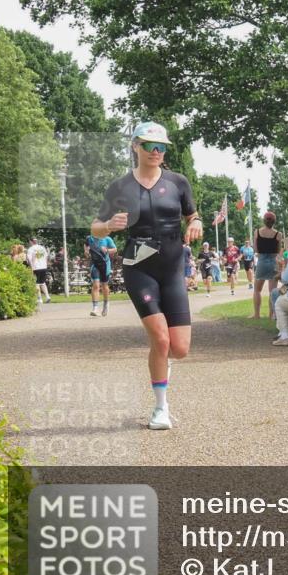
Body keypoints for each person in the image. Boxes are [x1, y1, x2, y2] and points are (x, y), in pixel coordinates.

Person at [92, 121, 202, 431]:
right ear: (135, 146)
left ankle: (161, 360)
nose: (156, 152)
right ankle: (160, 408)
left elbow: (192, 214)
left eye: (162, 147)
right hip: (139, 267)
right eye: (149, 145)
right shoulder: (120, 187)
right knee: (161, 338)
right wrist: (109, 224)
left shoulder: (178, 182)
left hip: (172, 267)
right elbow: (95, 227)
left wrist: (196, 223)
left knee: (178, 349)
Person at [251, 211, 283, 320]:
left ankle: (257, 314)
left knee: (257, 290)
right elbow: (279, 250)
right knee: (272, 291)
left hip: (262, 261)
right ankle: (271, 315)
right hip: (273, 262)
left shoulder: (257, 232)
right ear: (274, 222)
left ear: (264, 220)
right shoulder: (278, 234)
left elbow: (255, 249)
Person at [85, 232, 117, 316]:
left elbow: (115, 249)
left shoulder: (107, 239)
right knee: (95, 285)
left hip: (105, 265)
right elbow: (86, 245)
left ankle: (106, 304)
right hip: (94, 265)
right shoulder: (89, 238)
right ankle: (95, 308)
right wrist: (86, 251)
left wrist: (107, 250)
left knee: (104, 285)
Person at [26, 238, 51, 304]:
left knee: (36, 283)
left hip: (36, 268)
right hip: (43, 267)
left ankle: (39, 299)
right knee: (43, 282)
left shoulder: (30, 249)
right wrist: (45, 265)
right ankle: (47, 296)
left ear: (31, 242)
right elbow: (46, 257)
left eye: (29, 242)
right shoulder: (42, 248)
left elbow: (29, 260)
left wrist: (31, 268)